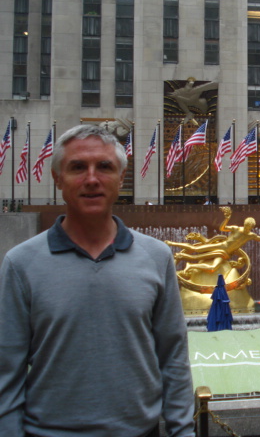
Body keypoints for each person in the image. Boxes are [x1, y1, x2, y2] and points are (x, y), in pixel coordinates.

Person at [0, 125, 194, 436]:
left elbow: (173, 356)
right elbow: (6, 374)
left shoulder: (157, 257)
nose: (92, 179)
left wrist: (182, 431)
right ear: (58, 178)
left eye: (104, 167)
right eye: (78, 167)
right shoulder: (21, 264)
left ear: (121, 178)